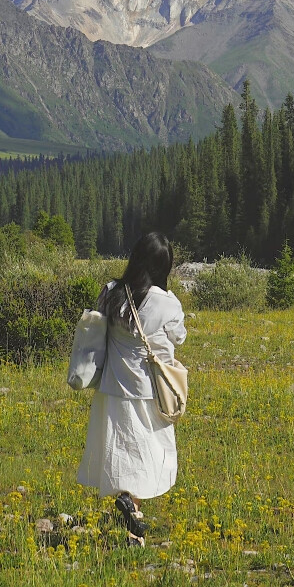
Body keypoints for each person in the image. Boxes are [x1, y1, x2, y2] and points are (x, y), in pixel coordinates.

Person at [77, 230, 186, 545]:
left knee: (121, 451)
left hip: (111, 388)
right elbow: (178, 338)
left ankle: (132, 519)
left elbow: (97, 329)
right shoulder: (167, 302)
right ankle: (132, 514)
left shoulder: (111, 292)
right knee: (150, 453)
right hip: (149, 391)